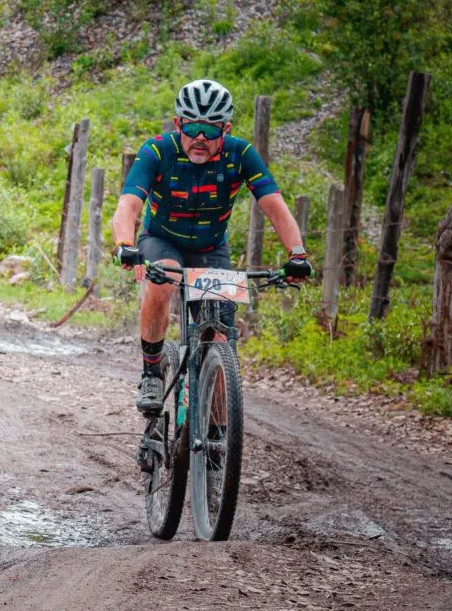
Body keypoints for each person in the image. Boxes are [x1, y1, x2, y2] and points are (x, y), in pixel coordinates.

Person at [111, 79, 312, 416]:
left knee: (219, 339)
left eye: (210, 129)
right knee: (166, 279)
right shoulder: (157, 150)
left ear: (225, 129)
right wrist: (125, 246)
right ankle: (150, 373)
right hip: (161, 239)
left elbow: (274, 206)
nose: (200, 137)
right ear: (178, 125)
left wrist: (298, 255)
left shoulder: (240, 154)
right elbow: (129, 204)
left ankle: (217, 432)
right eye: (192, 127)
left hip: (211, 248)